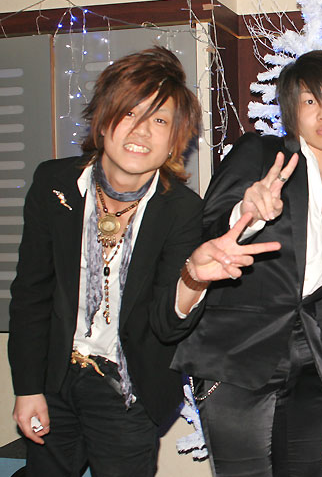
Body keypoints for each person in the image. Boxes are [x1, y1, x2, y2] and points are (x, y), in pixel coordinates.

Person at [8, 46, 280, 477]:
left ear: (174, 140)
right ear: (103, 121)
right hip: (53, 376)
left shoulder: (181, 210)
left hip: (126, 389)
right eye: (130, 112)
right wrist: (27, 389)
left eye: (160, 120)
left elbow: (165, 326)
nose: (141, 130)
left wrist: (192, 278)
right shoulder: (53, 183)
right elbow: (31, 294)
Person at [169, 50, 322, 477]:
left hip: (307, 363)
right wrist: (246, 213)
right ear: (291, 112)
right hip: (238, 356)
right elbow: (207, 229)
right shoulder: (262, 154)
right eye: (309, 101)